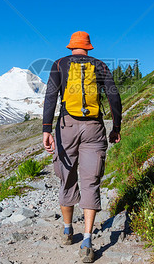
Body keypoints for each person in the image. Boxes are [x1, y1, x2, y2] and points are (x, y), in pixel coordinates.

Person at [42, 31, 122, 263]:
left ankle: (68, 231)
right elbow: (114, 97)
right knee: (90, 180)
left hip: (66, 126)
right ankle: (87, 241)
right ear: (88, 47)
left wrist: (46, 130)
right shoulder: (100, 66)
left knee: (67, 176)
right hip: (94, 128)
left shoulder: (60, 64)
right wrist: (116, 126)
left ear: (71, 47)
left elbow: (50, 97)